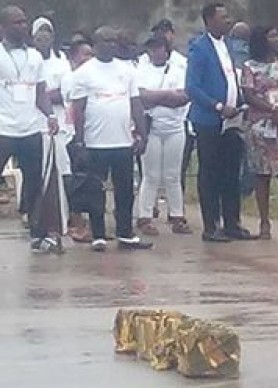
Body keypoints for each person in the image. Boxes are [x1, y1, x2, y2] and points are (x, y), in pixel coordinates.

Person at [70, 26, 151, 251]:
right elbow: (79, 109)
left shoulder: (127, 70)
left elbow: (135, 103)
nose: (111, 45)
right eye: (106, 41)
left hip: (123, 141)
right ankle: (98, 234)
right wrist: (80, 140)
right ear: (95, 45)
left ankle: (125, 233)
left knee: (125, 189)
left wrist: (142, 134)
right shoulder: (84, 73)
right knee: (95, 190)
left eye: (115, 41)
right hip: (96, 142)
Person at [186, 2, 254, 242]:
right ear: (209, 20)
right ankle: (210, 225)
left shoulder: (228, 46)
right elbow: (192, 87)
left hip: (232, 120)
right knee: (210, 173)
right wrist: (217, 106)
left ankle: (232, 222)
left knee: (230, 172)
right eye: (222, 17)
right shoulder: (199, 48)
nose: (227, 21)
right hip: (209, 120)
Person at [0, 5, 60, 251]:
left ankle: (38, 234)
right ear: (3, 27)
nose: (23, 26)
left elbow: (40, 91)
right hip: (3, 128)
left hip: (30, 129)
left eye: (24, 22)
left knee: (35, 182)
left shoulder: (35, 57)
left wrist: (50, 115)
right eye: (17, 22)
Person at [242, 25, 278, 242]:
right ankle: (264, 222)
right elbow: (248, 94)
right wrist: (271, 109)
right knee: (261, 174)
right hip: (260, 122)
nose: (276, 39)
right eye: (271, 36)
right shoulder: (250, 66)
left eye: (277, 35)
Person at [136, 35, 191, 236]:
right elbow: (141, 96)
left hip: (175, 127)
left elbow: (183, 97)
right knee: (150, 175)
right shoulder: (141, 69)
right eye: (152, 48)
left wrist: (156, 97)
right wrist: (167, 95)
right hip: (151, 127)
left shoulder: (178, 69)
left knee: (173, 175)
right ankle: (145, 216)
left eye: (159, 48)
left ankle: (177, 215)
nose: (155, 52)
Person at [33, 17, 72, 244]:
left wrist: (39, 95)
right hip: (32, 124)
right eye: (39, 35)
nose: (44, 38)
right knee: (38, 175)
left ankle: (61, 222)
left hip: (57, 124)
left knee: (59, 172)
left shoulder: (62, 63)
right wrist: (42, 95)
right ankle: (38, 221)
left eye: (48, 34)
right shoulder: (29, 61)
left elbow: (65, 92)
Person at [62, 39, 94, 243]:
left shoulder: (91, 77)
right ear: (74, 57)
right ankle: (76, 222)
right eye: (85, 54)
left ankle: (90, 223)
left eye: (91, 54)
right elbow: (73, 108)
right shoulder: (71, 79)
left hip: (91, 134)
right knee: (77, 179)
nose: (89, 59)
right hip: (72, 133)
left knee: (90, 180)